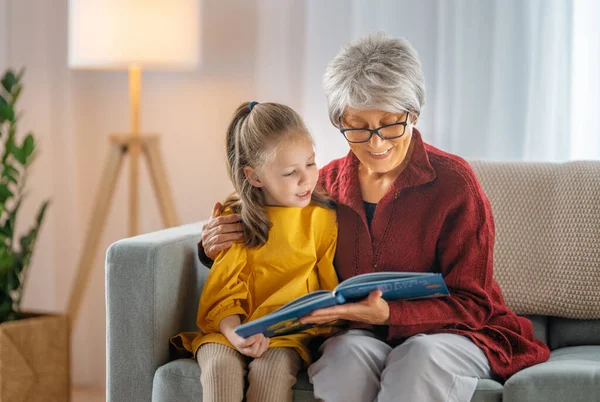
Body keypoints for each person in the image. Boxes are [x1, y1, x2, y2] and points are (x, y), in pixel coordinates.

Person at [198, 33, 550, 402]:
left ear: (413, 114)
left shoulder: (454, 182)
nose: (376, 143)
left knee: (419, 357)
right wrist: (212, 246)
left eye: (390, 124)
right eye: (358, 127)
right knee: (341, 357)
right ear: (339, 121)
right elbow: (275, 238)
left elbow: (473, 303)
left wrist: (388, 314)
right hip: (363, 334)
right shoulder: (325, 184)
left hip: (458, 333)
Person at [172, 101, 340, 402]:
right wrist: (236, 334)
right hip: (228, 329)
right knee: (220, 367)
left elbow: (327, 291)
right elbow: (224, 293)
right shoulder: (236, 220)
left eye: (311, 163)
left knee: (270, 375)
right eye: (290, 172)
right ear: (254, 177)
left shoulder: (323, 219)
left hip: (287, 336)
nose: (306, 179)